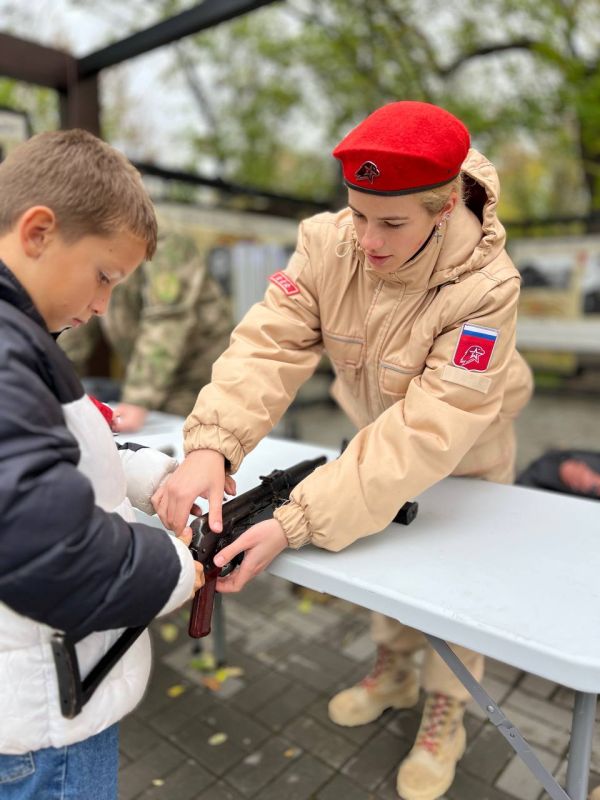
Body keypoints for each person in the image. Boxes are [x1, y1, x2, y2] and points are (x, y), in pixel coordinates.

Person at [153, 101, 533, 800]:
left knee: (456, 582)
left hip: (468, 449)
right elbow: (270, 344)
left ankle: (446, 709)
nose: (368, 240)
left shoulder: (488, 287)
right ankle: (393, 667)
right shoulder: (328, 242)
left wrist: (296, 518)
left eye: (392, 223)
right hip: (375, 429)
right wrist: (212, 444)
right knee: (381, 545)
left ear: (445, 206)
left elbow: (428, 431)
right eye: (357, 214)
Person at [0, 128, 203, 800]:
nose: (101, 307)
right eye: (104, 277)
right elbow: (50, 550)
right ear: (37, 232)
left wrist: (148, 474)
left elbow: (52, 451)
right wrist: (176, 564)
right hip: (44, 730)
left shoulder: (20, 339)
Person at [59, 230, 232, 433]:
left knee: (186, 446)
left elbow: (167, 320)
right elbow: (83, 312)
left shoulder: (164, 241)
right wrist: (57, 378)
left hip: (198, 380)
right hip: (151, 377)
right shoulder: (95, 234)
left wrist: (138, 398)